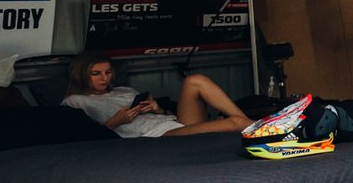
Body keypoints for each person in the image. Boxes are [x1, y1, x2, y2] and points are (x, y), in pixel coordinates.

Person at [62, 53, 251, 137]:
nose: (104, 78)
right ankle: (260, 127)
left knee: (195, 80)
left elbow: (161, 113)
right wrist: (116, 121)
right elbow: (81, 138)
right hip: (158, 135)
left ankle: (255, 126)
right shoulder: (75, 101)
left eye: (108, 72)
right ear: (82, 75)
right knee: (235, 123)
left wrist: (157, 109)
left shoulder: (124, 91)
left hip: (174, 123)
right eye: (96, 74)